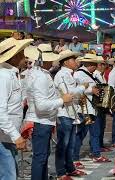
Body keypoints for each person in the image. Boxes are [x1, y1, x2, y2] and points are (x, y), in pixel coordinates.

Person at [23, 44, 74, 180]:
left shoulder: (39, 73)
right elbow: (41, 105)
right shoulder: (40, 77)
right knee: (40, 157)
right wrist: (62, 100)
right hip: (42, 121)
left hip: (43, 121)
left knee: (42, 156)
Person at [0, 37, 33, 180]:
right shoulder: (4, 76)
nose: (24, 57)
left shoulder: (12, 74)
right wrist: (15, 135)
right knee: (9, 175)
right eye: (22, 53)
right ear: (15, 56)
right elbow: (1, 111)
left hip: (7, 135)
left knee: (10, 173)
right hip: (4, 136)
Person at [54, 50, 88, 180]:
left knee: (70, 144)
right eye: (74, 60)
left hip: (71, 113)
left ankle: (70, 168)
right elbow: (68, 93)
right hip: (64, 113)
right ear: (66, 62)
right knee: (63, 144)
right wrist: (82, 88)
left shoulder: (68, 74)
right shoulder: (62, 75)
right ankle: (61, 172)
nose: (76, 62)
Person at [73, 54, 111, 164]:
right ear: (90, 64)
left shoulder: (92, 74)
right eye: (95, 64)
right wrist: (91, 90)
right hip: (85, 109)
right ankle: (75, 156)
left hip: (91, 109)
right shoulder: (78, 74)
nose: (97, 66)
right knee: (82, 133)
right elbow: (75, 90)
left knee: (94, 132)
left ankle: (95, 153)